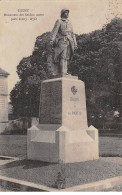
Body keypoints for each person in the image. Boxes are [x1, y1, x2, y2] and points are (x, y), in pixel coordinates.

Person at [50, 9, 77, 75]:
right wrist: (52, 40)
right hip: (62, 40)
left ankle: (65, 71)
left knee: (67, 57)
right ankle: (62, 71)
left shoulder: (69, 22)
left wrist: (75, 43)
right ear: (62, 13)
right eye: (66, 12)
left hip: (69, 41)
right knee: (62, 56)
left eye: (68, 13)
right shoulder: (59, 21)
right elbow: (55, 31)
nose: (67, 14)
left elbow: (72, 33)